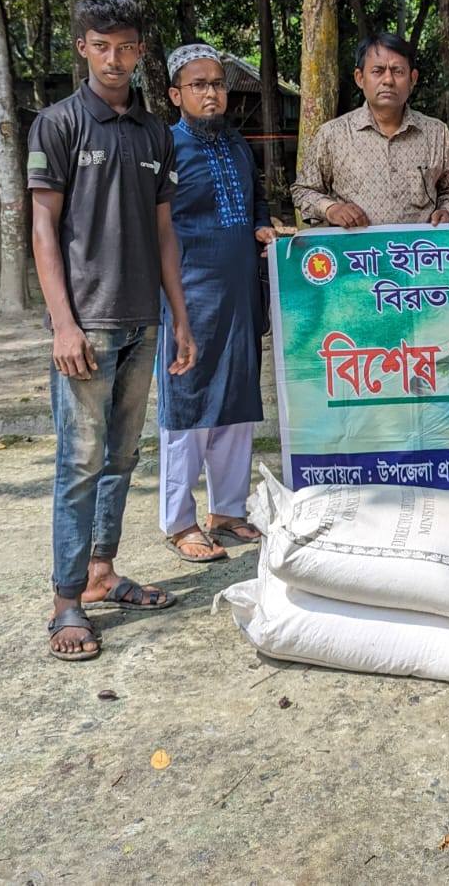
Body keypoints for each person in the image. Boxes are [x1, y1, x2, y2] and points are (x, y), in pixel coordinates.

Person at [28, 0, 196, 663]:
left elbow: (165, 233)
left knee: (122, 458)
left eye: (125, 48)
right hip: (86, 325)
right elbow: (43, 228)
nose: (114, 60)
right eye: (101, 47)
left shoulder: (156, 133)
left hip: (142, 321)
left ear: (140, 51)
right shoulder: (59, 124)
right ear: (83, 49)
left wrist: (179, 317)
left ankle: (102, 571)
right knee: (79, 462)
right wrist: (62, 324)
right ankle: (66, 598)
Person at [154, 43, 276, 564]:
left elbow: (256, 200)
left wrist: (262, 225)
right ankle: (179, 522)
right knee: (189, 405)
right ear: (174, 94)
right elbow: (153, 225)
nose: (212, 93)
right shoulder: (165, 147)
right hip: (190, 297)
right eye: (199, 85)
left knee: (237, 402)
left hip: (241, 293)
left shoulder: (237, 144)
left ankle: (227, 510)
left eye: (218, 84)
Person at [290, 31, 449, 228]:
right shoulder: (332, 135)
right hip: (355, 247)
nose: (388, 80)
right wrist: (331, 209)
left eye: (398, 71)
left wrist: (447, 210)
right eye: (378, 71)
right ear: (360, 78)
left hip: (419, 246)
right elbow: (302, 190)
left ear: (413, 79)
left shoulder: (436, 133)